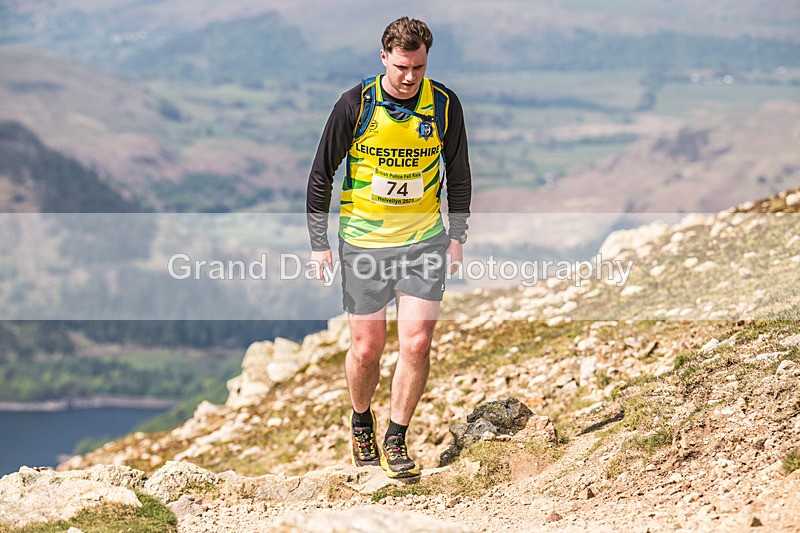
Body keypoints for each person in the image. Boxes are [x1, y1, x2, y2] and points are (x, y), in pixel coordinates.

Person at [306, 16, 471, 479]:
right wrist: (319, 244)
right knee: (367, 347)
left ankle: (396, 437)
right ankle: (362, 418)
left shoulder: (442, 105)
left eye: (418, 67)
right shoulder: (355, 104)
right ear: (384, 59)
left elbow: (458, 173)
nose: (409, 77)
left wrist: (457, 236)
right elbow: (322, 174)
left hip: (423, 239)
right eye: (401, 66)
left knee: (417, 343)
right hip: (363, 242)